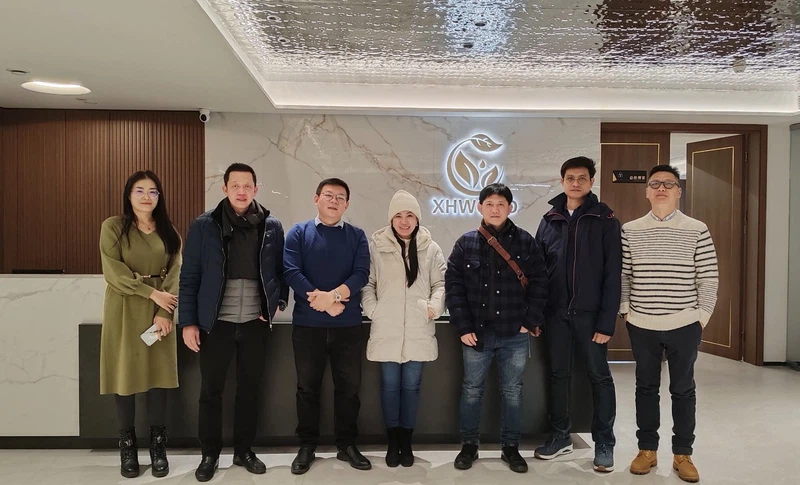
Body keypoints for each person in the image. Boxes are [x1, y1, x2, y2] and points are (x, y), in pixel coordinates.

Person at [178, 163, 288, 482]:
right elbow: (190, 276)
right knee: (210, 392)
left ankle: (244, 451)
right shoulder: (204, 225)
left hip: (255, 322)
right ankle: (209, 454)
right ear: (224, 188)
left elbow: (281, 271)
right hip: (215, 323)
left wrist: (278, 302)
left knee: (249, 390)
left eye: (247, 185)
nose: (242, 190)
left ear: (256, 189)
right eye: (235, 185)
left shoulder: (271, 225)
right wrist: (188, 322)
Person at [621, 165, 718, 483]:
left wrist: (701, 316)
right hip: (642, 322)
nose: (661, 188)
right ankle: (646, 450)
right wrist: (626, 311)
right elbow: (624, 275)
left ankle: (682, 454)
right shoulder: (631, 230)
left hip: (685, 323)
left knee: (683, 390)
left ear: (679, 191)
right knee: (645, 388)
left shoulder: (697, 229)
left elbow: (708, 276)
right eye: (655, 184)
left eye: (669, 183)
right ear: (647, 192)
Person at [445, 183, 549, 474]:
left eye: (501, 204)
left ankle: (511, 448)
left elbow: (541, 283)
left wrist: (529, 322)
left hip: (514, 334)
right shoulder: (466, 243)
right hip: (476, 333)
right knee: (471, 390)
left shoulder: (526, 242)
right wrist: (462, 326)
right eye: (489, 203)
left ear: (510, 207)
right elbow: (453, 287)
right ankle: (469, 446)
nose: (495, 209)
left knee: (513, 391)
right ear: (479, 207)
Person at [533, 156, 621, 472]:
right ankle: (560, 437)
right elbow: (538, 272)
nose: (575, 183)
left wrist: (606, 320)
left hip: (591, 315)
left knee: (599, 377)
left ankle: (605, 444)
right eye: (570, 177)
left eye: (582, 178)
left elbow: (614, 274)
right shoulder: (550, 219)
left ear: (591, 182)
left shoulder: (605, 219)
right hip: (556, 315)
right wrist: (537, 315)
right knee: (558, 376)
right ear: (562, 182)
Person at [283, 178, 371, 474]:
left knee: (349, 388)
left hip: (348, 325)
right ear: (316, 198)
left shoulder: (357, 236)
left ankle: (347, 444)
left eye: (340, 197)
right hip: (308, 326)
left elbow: (361, 274)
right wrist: (320, 302)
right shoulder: (298, 233)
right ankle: (307, 445)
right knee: (307, 388)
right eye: (329, 195)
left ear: (347, 204)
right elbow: (291, 271)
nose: (334, 201)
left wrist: (334, 297)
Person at [99, 170, 182, 478]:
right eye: (139, 190)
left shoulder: (169, 231)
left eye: (153, 192)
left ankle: (158, 447)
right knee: (126, 377)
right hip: (124, 307)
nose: (147, 196)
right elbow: (114, 272)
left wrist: (165, 311)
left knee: (158, 378)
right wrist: (151, 293)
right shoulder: (113, 227)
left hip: (159, 311)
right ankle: (128, 448)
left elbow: (175, 273)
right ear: (129, 195)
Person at [361, 190, 446, 468]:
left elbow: (440, 285)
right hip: (387, 327)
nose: (404, 221)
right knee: (389, 387)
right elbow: (367, 284)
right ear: (391, 219)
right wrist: (375, 310)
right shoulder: (376, 246)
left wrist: (432, 307)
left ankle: (406, 441)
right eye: (398, 215)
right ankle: (392, 441)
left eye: (410, 215)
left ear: (417, 218)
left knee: (411, 387)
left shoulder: (430, 248)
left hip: (419, 328)